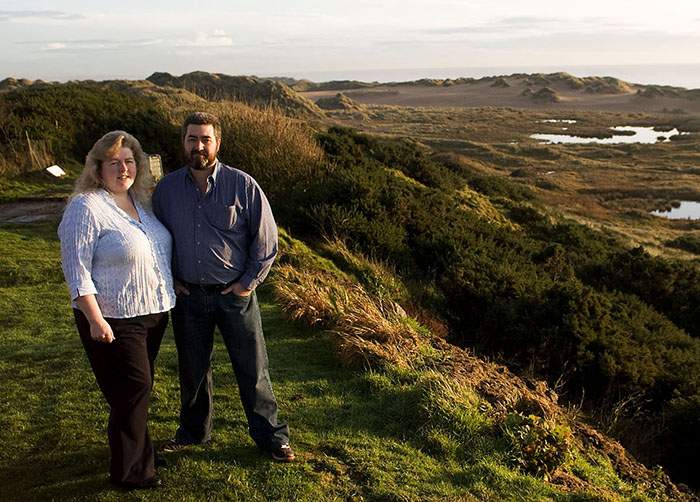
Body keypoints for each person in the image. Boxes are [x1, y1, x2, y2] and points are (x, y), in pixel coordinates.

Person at [152, 111, 294, 462]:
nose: (198, 146)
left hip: (234, 296)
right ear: (183, 142)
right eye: (192, 139)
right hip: (188, 298)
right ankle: (193, 433)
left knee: (253, 368)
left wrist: (247, 283)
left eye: (205, 139)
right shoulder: (166, 190)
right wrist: (171, 279)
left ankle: (271, 438)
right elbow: (153, 239)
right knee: (193, 370)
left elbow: (267, 242)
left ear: (218, 143)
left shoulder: (243, 185)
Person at [58, 131, 176, 489]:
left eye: (129, 161)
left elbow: (154, 253)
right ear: (98, 168)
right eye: (114, 162)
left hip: (152, 313)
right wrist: (94, 318)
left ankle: (138, 457)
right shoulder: (86, 207)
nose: (123, 168)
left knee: (131, 393)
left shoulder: (141, 203)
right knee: (135, 387)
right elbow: (75, 270)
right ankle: (131, 473)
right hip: (113, 318)